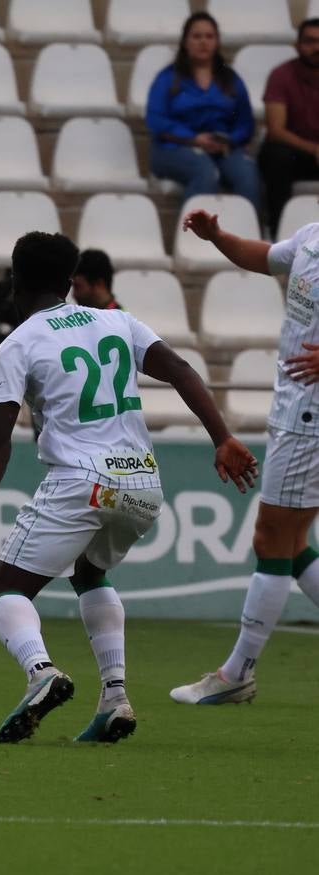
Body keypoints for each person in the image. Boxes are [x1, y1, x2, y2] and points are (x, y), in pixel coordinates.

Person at [0, 231, 257, 744]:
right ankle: (114, 697)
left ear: (16, 282)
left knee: (4, 592)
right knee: (89, 571)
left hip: (81, 480)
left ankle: (40, 673)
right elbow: (180, 369)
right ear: (69, 281)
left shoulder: (17, 344)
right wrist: (222, 437)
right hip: (142, 483)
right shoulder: (117, 321)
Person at [170, 209, 319, 704]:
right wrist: (218, 238)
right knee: (292, 542)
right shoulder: (311, 235)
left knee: (272, 535)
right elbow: (266, 258)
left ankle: (237, 674)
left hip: (310, 418)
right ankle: (237, 674)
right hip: (295, 409)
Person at [146, 12, 263, 220]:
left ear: (217, 42)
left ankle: (248, 238)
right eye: (196, 36)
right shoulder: (167, 78)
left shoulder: (230, 79)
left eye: (209, 36)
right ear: (185, 41)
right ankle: (191, 238)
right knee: (204, 171)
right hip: (173, 148)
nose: (203, 42)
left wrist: (229, 140)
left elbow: (245, 122)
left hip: (222, 148)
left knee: (248, 175)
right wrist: (193, 138)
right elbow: (156, 120)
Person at [258, 18, 319, 238]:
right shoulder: (281, 75)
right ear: (297, 45)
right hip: (297, 154)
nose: (316, 48)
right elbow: (275, 129)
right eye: (310, 41)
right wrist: (314, 149)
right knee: (277, 157)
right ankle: (278, 232)